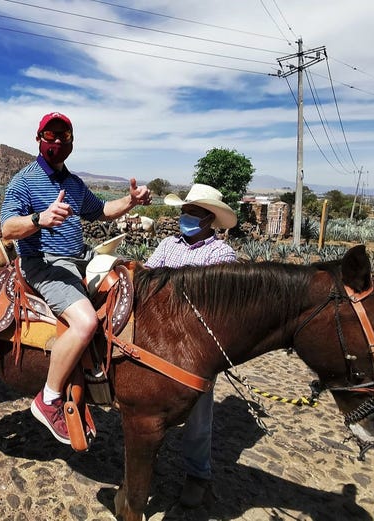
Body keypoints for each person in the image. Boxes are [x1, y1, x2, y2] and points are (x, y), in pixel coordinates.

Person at [0, 111, 152, 444]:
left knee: (129, 279)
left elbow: (100, 211)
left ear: (71, 142)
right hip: (43, 262)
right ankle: (49, 397)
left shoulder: (73, 183)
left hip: (80, 255)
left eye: (63, 137)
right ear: (38, 140)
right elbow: (7, 228)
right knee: (84, 322)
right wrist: (40, 218)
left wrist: (131, 201)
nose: (56, 143)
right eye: (50, 137)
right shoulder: (23, 181)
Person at [143, 183, 237, 508]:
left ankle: (198, 474)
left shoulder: (221, 255)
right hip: (157, 334)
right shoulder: (169, 244)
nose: (186, 217)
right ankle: (146, 458)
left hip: (195, 343)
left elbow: (214, 300)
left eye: (193, 213)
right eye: (185, 211)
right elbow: (146, 276)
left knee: (199, 410)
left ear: (209, 220)